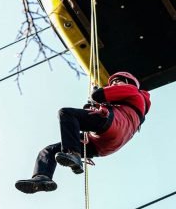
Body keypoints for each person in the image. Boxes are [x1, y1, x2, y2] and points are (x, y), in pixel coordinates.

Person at [15, 71, 151, 194]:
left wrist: (97, 94)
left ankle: (73, 154)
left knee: (66, 113)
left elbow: (99, 95)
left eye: (117, 81)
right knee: (49, 150)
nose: (114, 84)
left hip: (113, 125)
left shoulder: (132, 90)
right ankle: (42, 177)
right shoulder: (130, 106)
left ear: (128, 82)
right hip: (103, 144)